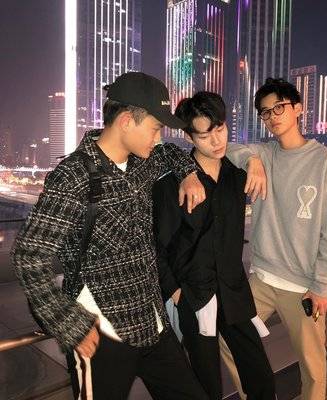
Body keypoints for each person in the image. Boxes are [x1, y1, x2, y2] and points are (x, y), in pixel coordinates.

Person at [12, 72, 209, 400]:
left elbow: (172, 154)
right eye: (155, 128)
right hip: (102, 333)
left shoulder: (143, 162)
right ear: (127, 121)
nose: (158, 137)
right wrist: (68, 323)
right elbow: (28, 256)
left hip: (152, 323)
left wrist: (188, 174)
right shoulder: (74, 176)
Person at [221, 78, 327, 400]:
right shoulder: (264, 154)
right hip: (262, 279)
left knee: (313, 369)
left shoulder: (325, 161)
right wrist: (251, 160)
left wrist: (322, 285)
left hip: (303, 287)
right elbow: (226, 148)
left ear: (298, 109)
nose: (272, 116)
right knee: (227, 338)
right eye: (265, 112)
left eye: (279, 107)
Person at [152, 91, 276, 400]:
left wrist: (253, 159)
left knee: (260, 375)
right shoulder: (174, 183)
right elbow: (157, 245)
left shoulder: (237, 176)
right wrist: (176, 292)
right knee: (206, 384)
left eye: (220, 129)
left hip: (233, 291)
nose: (217, 141)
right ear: (189, 137)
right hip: (194, 295)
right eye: (205, 136)